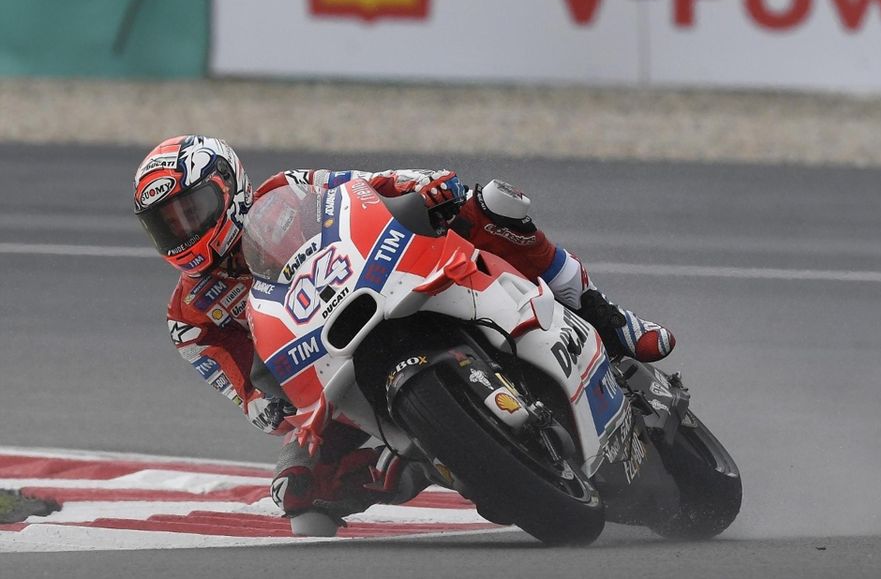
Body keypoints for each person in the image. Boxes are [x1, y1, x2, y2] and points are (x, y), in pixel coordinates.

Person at [133, 135, 675, 522]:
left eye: (191, 210)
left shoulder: (287, 191)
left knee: (491, 205)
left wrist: (419, 185)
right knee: (298, 495)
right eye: (168, 224)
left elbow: (361, 189)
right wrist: (258, 403)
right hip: (323, 373)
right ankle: (414, 462)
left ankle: (606, 317)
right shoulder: (190, 316)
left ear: (228, 186)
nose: (184, 230)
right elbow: (238, 383)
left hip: (381, 286)